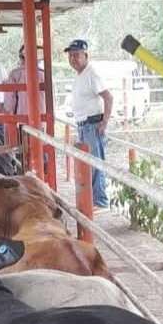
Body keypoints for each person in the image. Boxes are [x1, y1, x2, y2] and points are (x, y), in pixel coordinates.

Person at [65, 39, 113, 209]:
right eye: (70, 56)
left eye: (76, 55)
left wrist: (104, 122)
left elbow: (108, 97)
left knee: (96, 164)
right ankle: (94, 201)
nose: (73, 59)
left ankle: (100, 202)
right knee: (88, 164)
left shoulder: (91, 73)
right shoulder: (80, 75)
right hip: (83, 125)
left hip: (93, 124)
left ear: (86, 55)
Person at [4, 45, 46, 161]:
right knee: (40, 148)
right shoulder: (44, 74)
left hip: (22, 119)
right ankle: (44, 172)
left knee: (23, 151)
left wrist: (10, 114)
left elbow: (9, 102)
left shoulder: (15, 74)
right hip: (41, 119)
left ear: (21, 58)